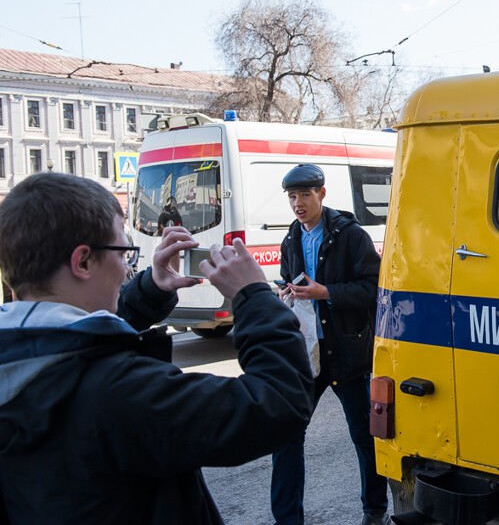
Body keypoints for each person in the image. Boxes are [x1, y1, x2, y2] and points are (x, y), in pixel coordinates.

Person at [0, 173, 314, 525]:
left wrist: (150, 289)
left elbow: (74, 340)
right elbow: (279, 403)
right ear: (83, 262)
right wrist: (253, 295)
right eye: (123, 252)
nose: (126, 269)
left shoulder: (20, 359)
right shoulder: (121, 391)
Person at [271, 164, 388, 525]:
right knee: (286, 435)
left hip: (348, 353)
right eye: (292, 197)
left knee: (363, 436)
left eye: (305, 195)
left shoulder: (350, 235)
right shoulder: (291, 238)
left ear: (322, 193)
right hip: (308, 355)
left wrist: (328, 292)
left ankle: (375, 510)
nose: (298, 203)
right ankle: (288, 519)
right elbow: (289, 280)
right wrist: (285, 291)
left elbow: (374, 289)